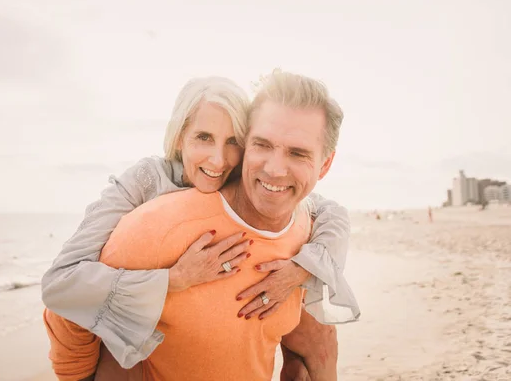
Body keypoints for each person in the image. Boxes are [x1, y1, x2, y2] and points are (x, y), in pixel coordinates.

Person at [42, 72, 359, 380]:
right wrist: (175, 278)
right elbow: (60, 284)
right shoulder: (145, 182)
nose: (218, 160)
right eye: (203, 137)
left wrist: (302, 268)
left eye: (233, 141)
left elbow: (328, 211)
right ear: (180, 136)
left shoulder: (244, 176)